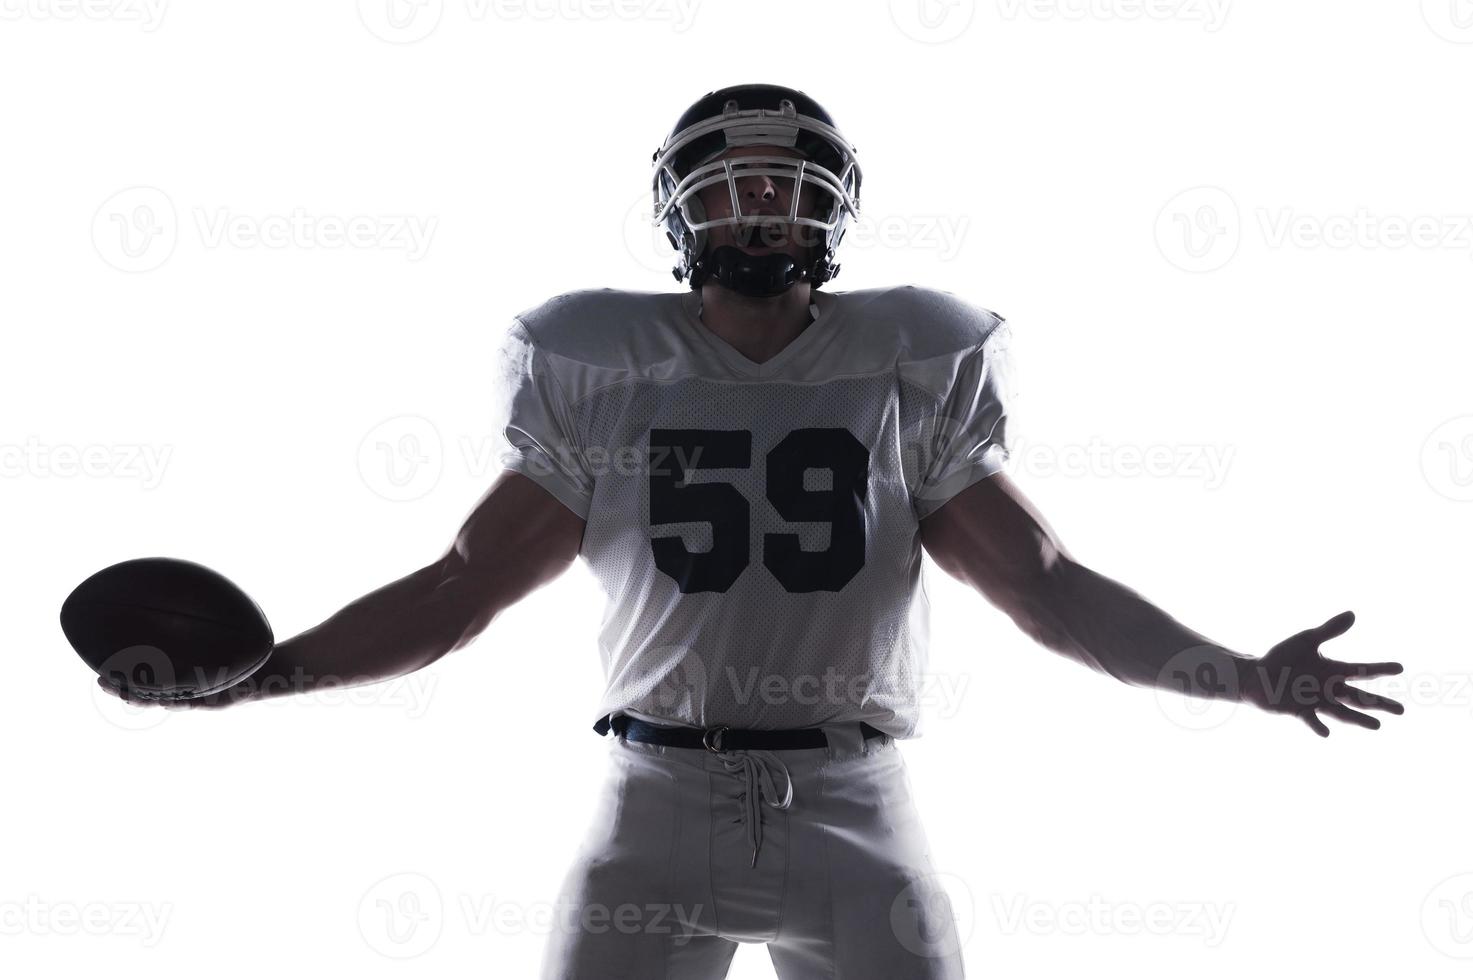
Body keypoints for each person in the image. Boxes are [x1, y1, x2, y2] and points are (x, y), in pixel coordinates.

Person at [102, 83, 1405, 979]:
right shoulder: (597, 364)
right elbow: (458, 592)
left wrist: (1231, 673)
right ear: (681, 214)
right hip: (652, 796)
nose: (759, 212)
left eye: (783, 189)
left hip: (854, 796)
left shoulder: (912, 358)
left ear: (832, 209)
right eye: (729, 192)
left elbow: (1047, 589)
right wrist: (273, 674)